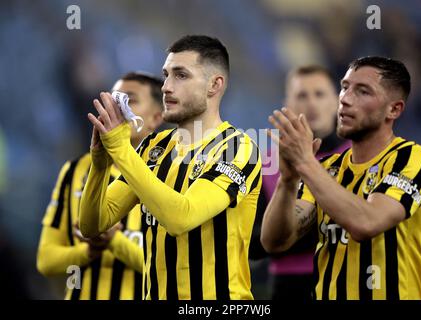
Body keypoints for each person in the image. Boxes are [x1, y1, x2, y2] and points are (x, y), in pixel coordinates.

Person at [79, 35, 262, 300]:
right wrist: (100, 165)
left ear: (214, 85)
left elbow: (181, 218)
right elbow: (93, 224)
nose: (165, 87)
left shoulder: (237, 148)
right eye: (166, 75)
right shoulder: (154, 148)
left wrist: (121, 150)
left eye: (181, 76)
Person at [261, 56, 421, 300]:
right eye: (344, 88)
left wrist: (305, 163)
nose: (345, 99)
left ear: (394, 109)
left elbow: (367, 222)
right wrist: (289, 181)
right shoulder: (327, 167)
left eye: (363, 91)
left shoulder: (411, 159)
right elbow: (275, 241)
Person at [37, 71, 164, 300]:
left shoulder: (168, 177)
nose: (119, 107)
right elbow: (46, 261)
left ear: (156, 118)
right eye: (115, 99)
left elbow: (169, 268)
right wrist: (88, 251)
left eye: (131, 100)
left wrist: (115, 242)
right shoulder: (74, 171)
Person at [263, 65, 350, 300]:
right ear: (288, 103)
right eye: (302, 95)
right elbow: (252, 240)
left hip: (343, 279)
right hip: (287, 287)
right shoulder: (267, 163)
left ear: (336, 102)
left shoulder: (357, 157)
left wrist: (281, 233)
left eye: (319, 94)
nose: (311, 103)